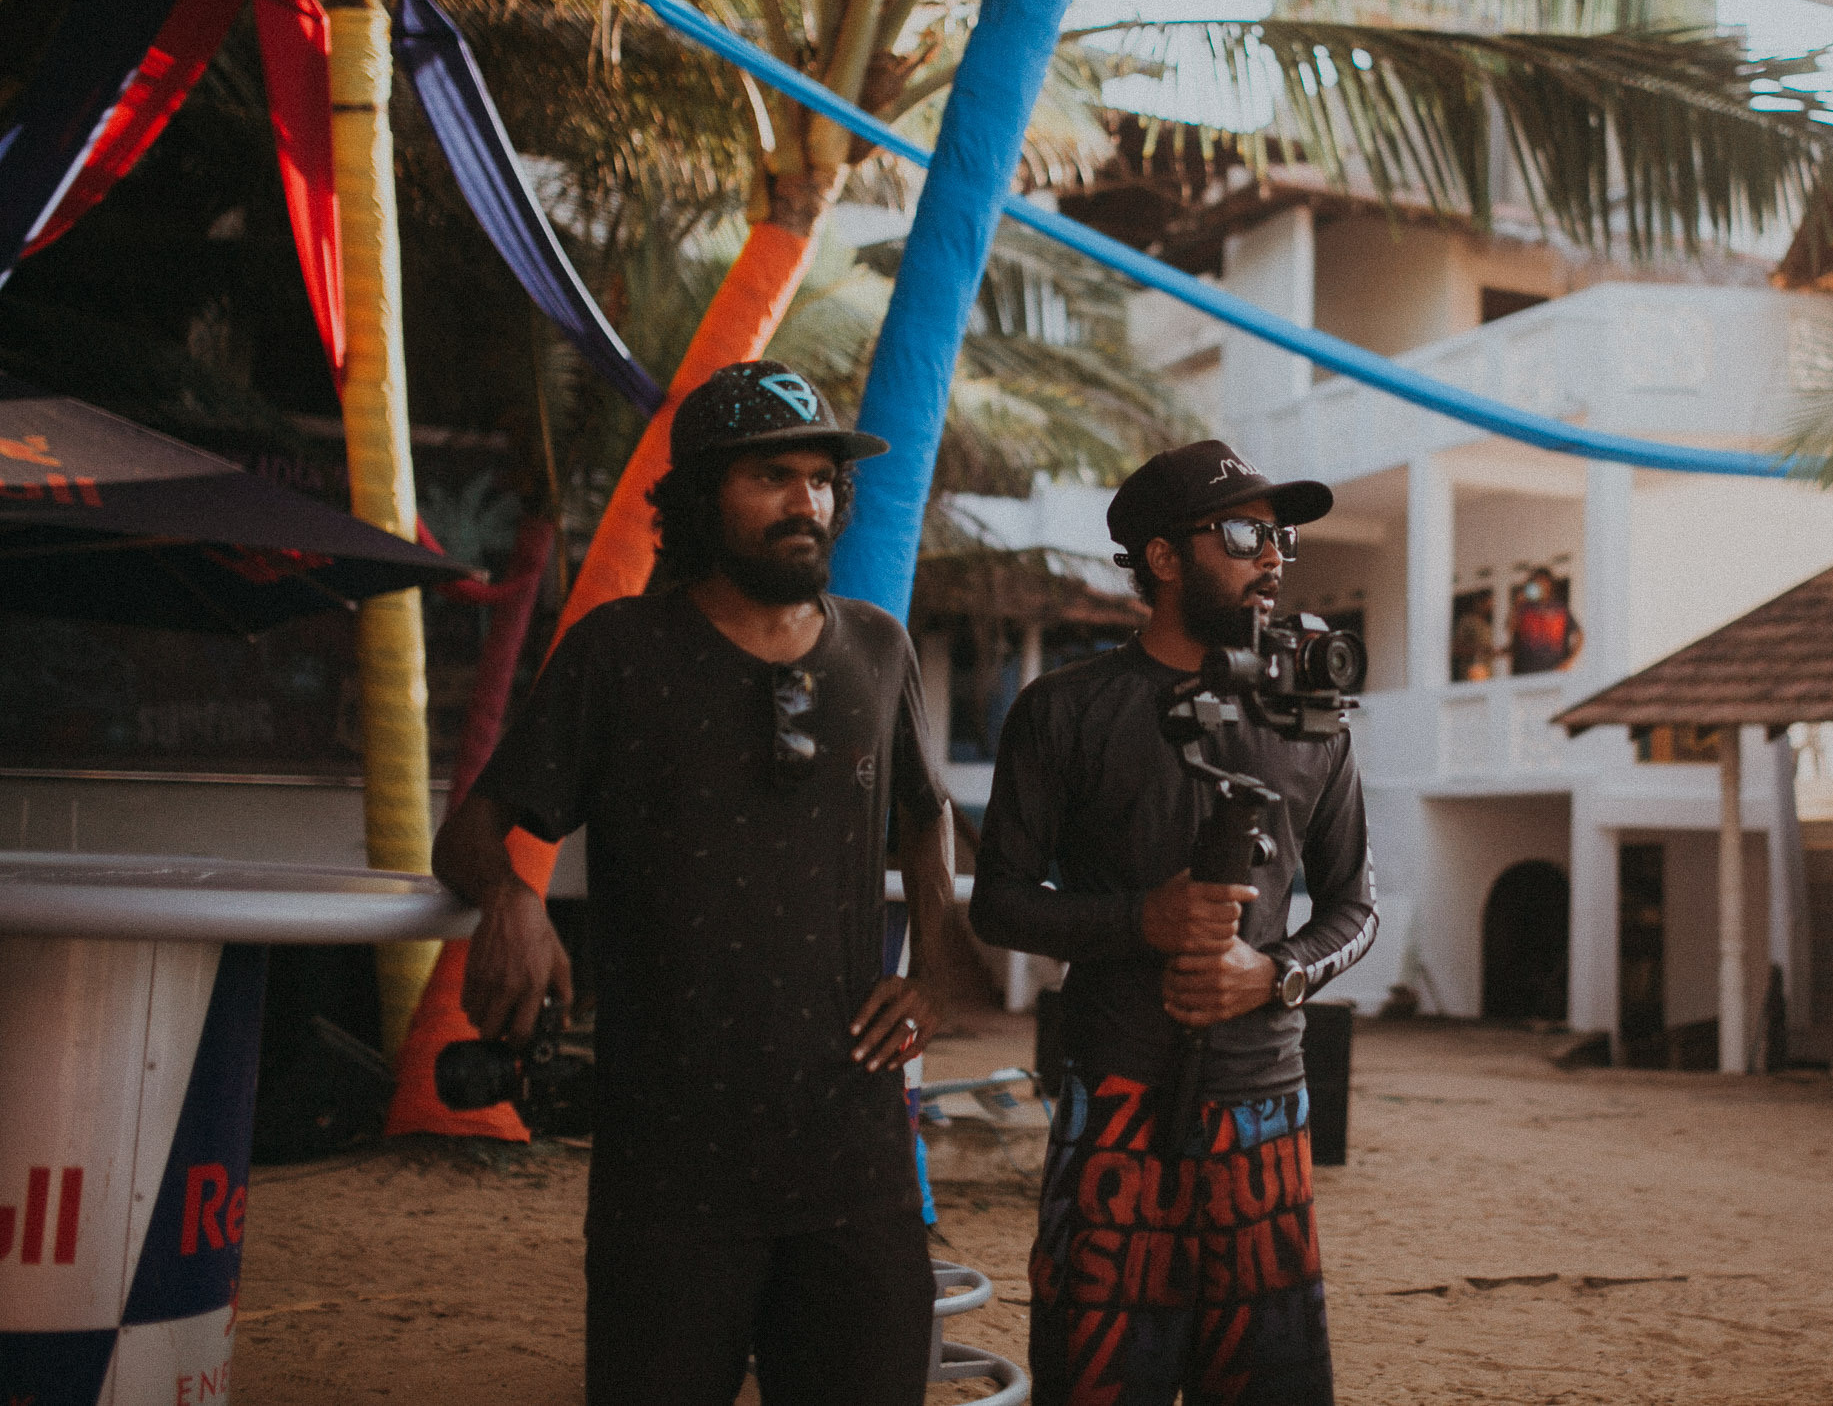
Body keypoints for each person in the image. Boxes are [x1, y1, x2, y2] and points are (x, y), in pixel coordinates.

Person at [432, 360, 955, 1406]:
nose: (805, 502)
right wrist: (514, 898)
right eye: (771, 476)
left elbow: (923, 816)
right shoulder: (620, 653)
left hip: (854, 1160)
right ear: (702, 495)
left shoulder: (878, 648)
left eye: (820, 479)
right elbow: (473, 831)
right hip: (669, 1172)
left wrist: (936, 962)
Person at [973, 439, 1378, 1406]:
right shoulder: (1064, 710)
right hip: (1114, 1094)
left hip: (1266, 1106)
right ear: (1162, 556)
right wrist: (1139, 921)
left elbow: (1355, 907)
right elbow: (999, 900)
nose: (1272, 555)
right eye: (1242, 534)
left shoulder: (1313, 719)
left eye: (1279, 538)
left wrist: (1274, 973)